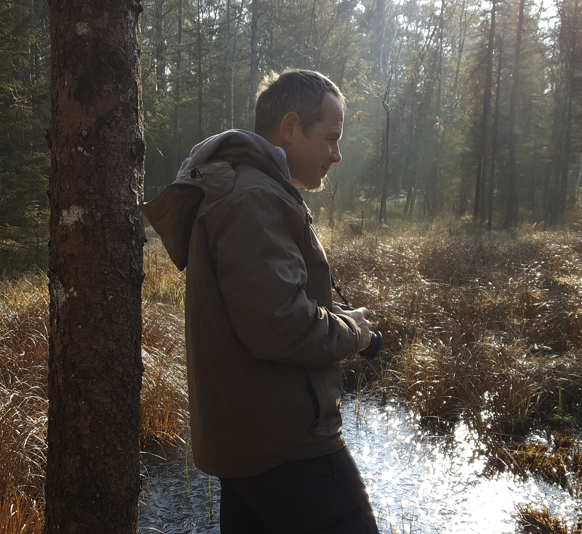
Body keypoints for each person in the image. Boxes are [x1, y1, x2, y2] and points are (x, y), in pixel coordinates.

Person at [143, 68, 379, 533]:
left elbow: (268, 307)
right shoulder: (251, 197)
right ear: (290, 127)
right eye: (331, 138)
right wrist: (355, 332)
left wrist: (334, 317)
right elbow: (281, 325)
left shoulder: (248, 189)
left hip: (251, 447)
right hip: (289, 448)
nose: (337, 154)